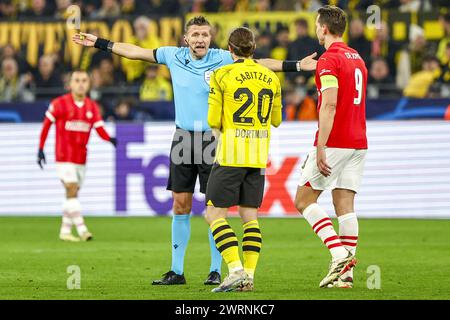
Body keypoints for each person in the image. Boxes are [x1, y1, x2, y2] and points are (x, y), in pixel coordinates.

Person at [72, 15, 317, 286]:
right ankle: (176, 271)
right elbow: (137, 52)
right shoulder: (173, 56)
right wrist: (101, 44)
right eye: (195, 35)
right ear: (186, 39)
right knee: (180, 204)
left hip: (214, 140)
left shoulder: (223, 58)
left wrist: (296, 65)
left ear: (210, 38)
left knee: (215, 205)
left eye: (205, 34)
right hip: (183, 139)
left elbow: (260, 64)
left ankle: (214, 270)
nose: (200, 39)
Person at [294, 5, 368, 289]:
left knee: (303, 200)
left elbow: (330, 103)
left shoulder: (329, 60)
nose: (315, 29)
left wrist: (321, 145)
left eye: (316, 24)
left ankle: (339, 256)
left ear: (324, 28)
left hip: (336, 140)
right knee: (344, 204)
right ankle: (345, 276)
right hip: (359, 141)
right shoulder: (357, 57)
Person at [205, 27, 282, 293]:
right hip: (259, 156)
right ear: (253, 49)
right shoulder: (271, 77)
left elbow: (213, 120)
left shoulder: (222, 74)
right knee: (249, 217)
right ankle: (248, 277)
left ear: (229, 49)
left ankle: (235, 269)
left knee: (214, 214)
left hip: (231, 154)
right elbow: (276, 120)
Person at [37, 70, 117, 242]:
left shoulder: (91, 106)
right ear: (70, 84)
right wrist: (40, 148)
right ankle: (83, 230)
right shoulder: (59, 103)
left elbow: (99, 128)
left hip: (81, 158)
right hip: (63, 156)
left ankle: (65, 231)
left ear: (89, 84)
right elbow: (46, 125)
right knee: (72, 188)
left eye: (84, 80)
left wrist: (110, 139)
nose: (81, 84)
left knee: (72, 194)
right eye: (77, 80)